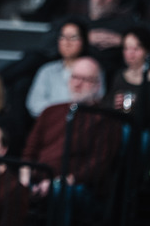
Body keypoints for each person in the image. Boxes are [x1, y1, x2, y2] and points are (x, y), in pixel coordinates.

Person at [21, 57, 120, 196]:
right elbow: (30, 151)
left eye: (85, 79)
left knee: (59, 193)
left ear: (97, 85)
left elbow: (97, 165)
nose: (77, 84)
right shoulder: (51, 111)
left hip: (75, 186)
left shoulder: (107, 120)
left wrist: (58, 183)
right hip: (38, 178)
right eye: (74, 77)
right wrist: (24, 178)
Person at [25, 19, 93, 117]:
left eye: (73, 37)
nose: (67, 42)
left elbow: (95, 100)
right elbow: (34, 104)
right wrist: (60, 113)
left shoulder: (92, 69)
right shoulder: (47, 70)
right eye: (63, 37)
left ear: (83, 40)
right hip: (51, 123)